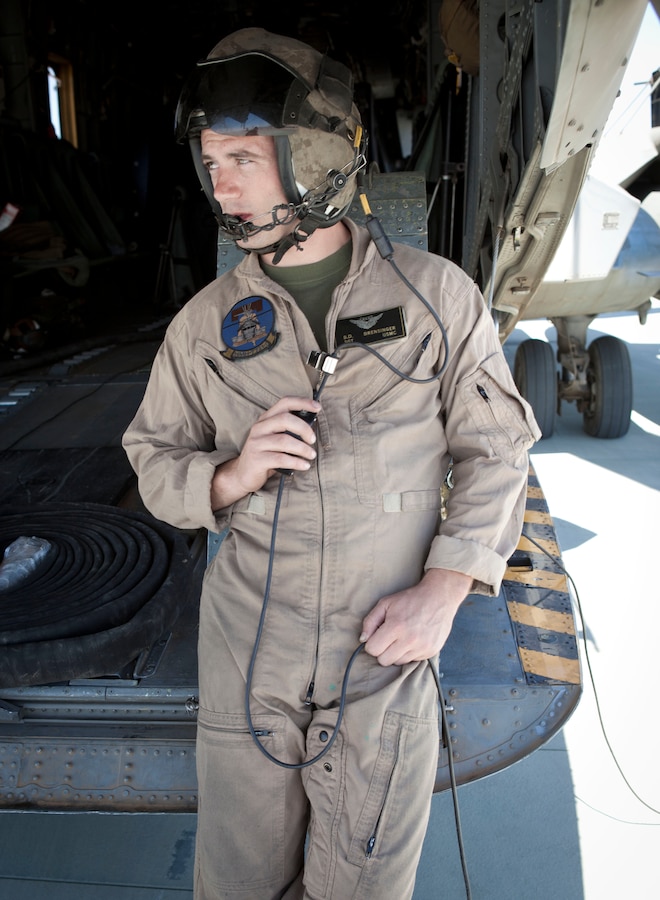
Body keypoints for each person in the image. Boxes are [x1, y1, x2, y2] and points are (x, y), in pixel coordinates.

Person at [123, 27, 541, 900]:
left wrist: (447, 588)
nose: (220, 180)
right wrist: (229, 477)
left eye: (242, 155)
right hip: (248, 659)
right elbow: (152, 458)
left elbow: (497, 448)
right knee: (236, 885)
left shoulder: (435, 297)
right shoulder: (205, 323)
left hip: (380, 652)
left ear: (312, 159)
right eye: (211, 159)